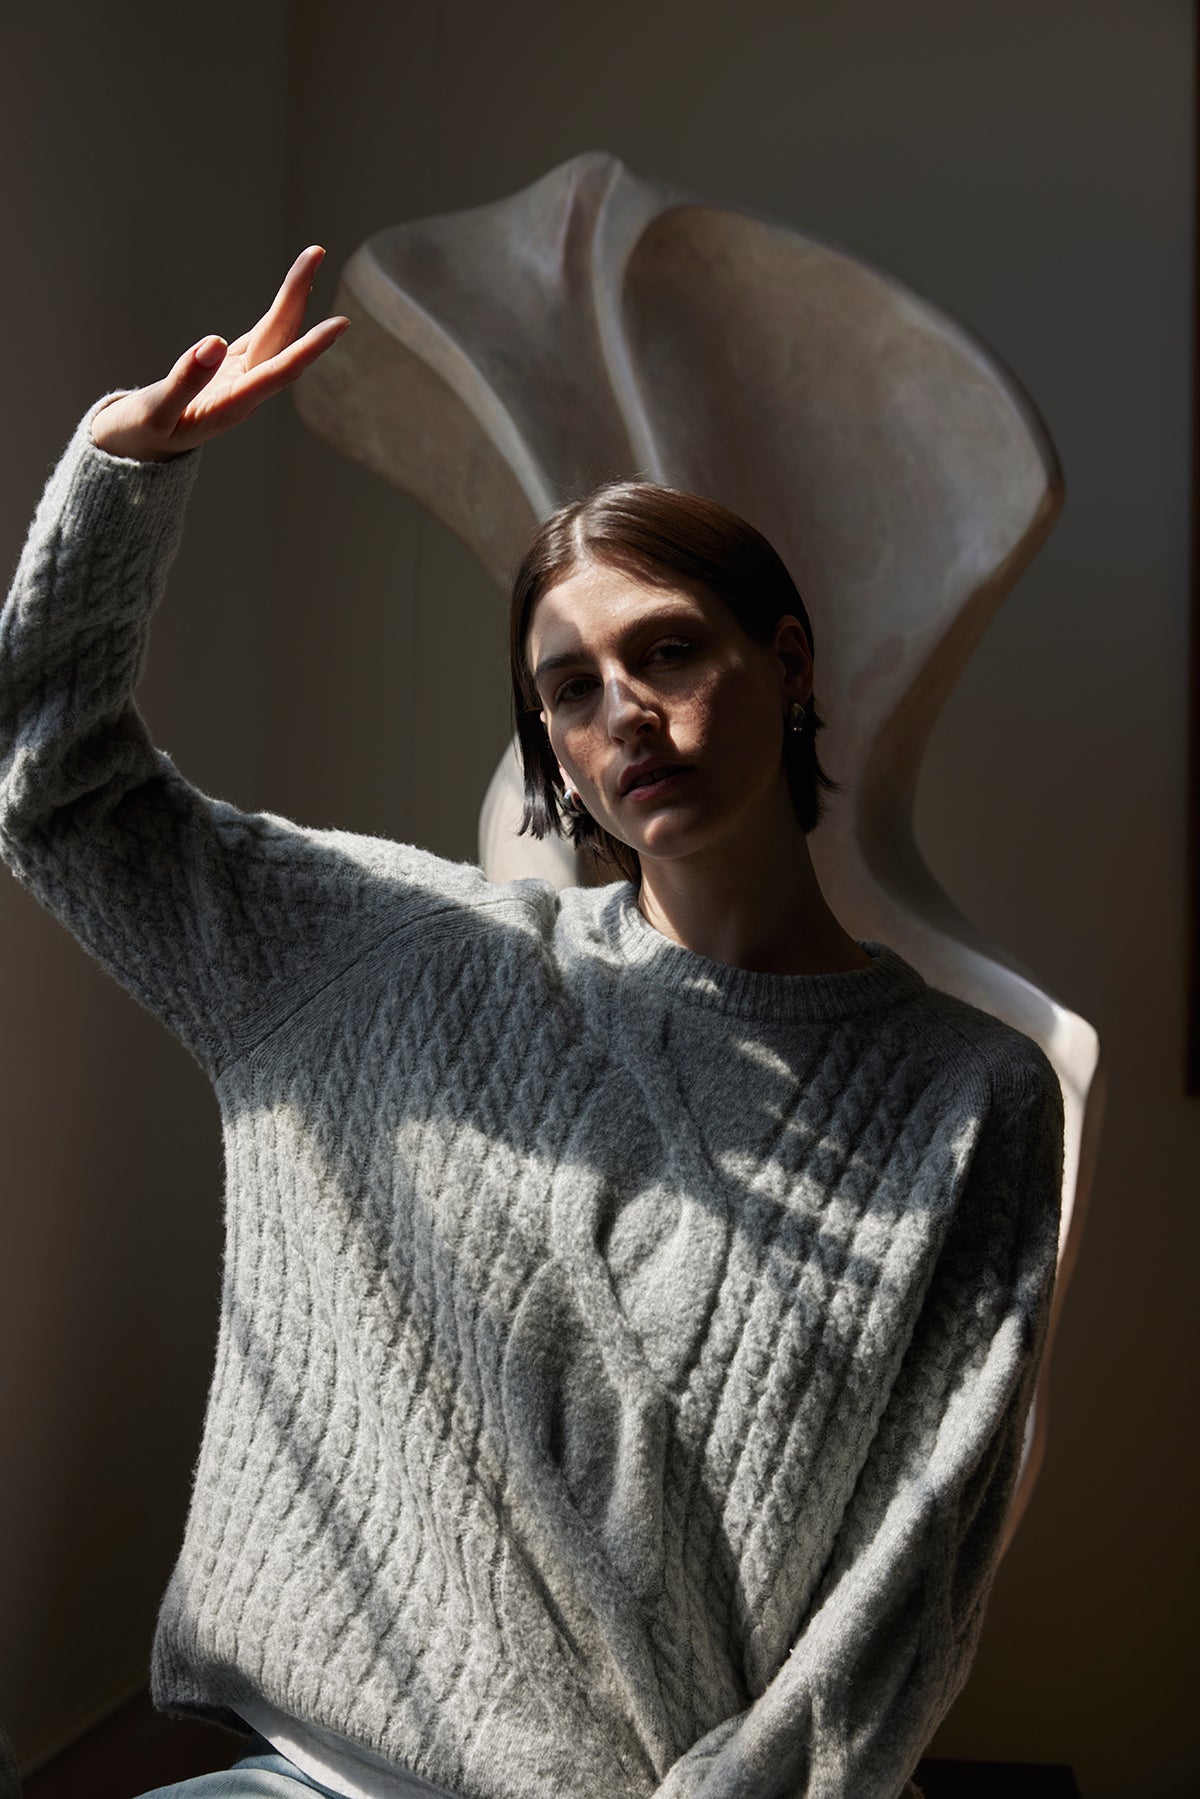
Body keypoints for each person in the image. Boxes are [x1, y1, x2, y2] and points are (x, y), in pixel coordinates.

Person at [0, 246, 1064, 1799]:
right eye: (570, 690)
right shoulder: (392, 957)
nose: (625, 710)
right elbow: (63, 792)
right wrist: (119, 468)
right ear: (553, 756)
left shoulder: (975, 1096)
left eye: (671, 649)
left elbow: (911, 1586)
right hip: (301, 1775)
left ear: (786, 666)